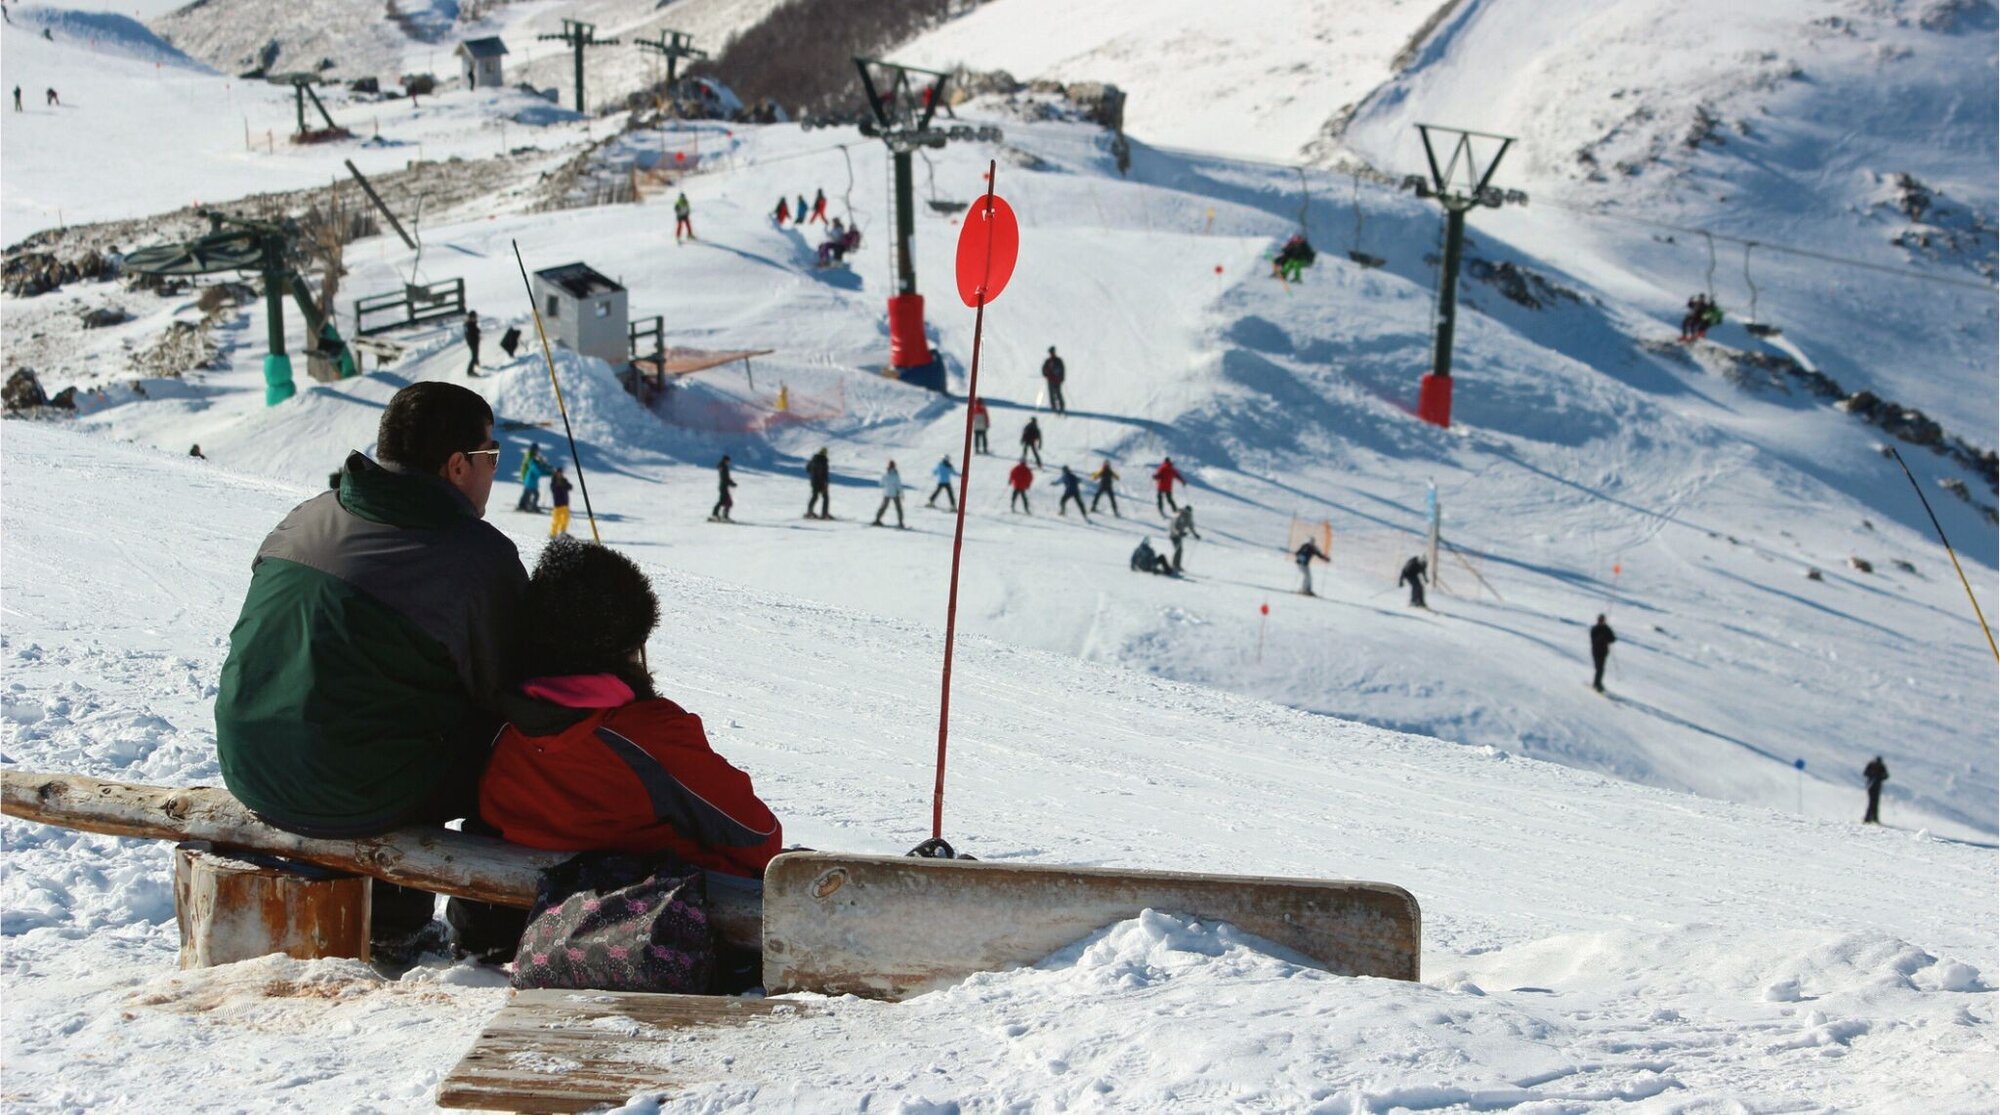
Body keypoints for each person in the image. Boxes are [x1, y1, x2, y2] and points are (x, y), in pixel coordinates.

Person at [214, 381, 527, 963]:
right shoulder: (475, 556)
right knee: (518, 736)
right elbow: (513, 686)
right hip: (352, 791)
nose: (494, 470)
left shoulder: (308, 515)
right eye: (492, 455)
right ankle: (468, 927)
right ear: (457, 466)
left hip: (249, 764)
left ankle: (389, 911)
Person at [478, 536, 782, 879]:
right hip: (657, 908)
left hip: (512, 905)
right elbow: (760, 839)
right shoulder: (648, 734)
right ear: (625, 645)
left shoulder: (501, 728)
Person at [872, 461, 907, 528]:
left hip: (886, 493)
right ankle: (900, 523)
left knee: (883, 507)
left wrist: (886, 486)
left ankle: (877, 520)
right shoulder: (895, 475)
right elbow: (898, 485)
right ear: (894, 466)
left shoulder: (885, 474)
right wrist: (902, 494)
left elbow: (881, 484)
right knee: (898, 508)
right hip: (895, 493)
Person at [516, 444, 551, 512]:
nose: (537, 451)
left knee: (527, 491)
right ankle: (526, 504)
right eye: (536, 450)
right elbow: (533, 465)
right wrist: (543, 465)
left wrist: (542, 463)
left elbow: (537, 462)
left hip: (529, 474)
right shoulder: (530, 455)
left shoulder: (532, 455)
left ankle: (523, 504)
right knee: (529, 491)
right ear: (533, 449)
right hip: (527, 474)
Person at [1589, 613, 1616, 692]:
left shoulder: (1607, 629)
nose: (1601, 621)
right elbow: (1594, 640)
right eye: (1600, 620)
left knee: (1601, 669)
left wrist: (1608, 637)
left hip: (1604, 652)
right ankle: (1597, 684)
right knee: (1599, 668)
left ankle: (1597, 683)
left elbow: (1613, 639)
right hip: (1596, 651)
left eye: (1603, 620)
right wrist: (1602, 637)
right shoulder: (1595, 629)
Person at [1169, 505, 1200, 572]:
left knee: (1180, 550)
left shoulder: (1188, 516)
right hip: (1173, 535)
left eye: (1188, 513)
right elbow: (1173, 526)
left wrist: (1195, 534)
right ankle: (1175, 565)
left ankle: (1177, 565)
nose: (1187, 513)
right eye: (1186, 512)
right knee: (1178, 549)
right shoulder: (1178, 514)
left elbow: (1190, 526)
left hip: (1179, 535)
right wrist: (1178, 532)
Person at [805, 447, 832, 519]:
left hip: (813, 482)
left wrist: (813, 475)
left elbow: (807, 469)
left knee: (815, 496)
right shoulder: (823, 461)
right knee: (825, 498)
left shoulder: (813, 460)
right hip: (821, 482)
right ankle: (824, 514)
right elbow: (823, 473)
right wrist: (825, 483)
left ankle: (809, 512)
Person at [1040, 346, 1067, 414]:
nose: (1052, 353)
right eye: (1051, 352)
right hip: (1050, 380)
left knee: (1058, 393)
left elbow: (1062, 370)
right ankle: (1053, 407)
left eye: (1052, 352)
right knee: (1051, 394)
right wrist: (1045, 374)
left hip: (1057, 380)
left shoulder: (1059, 360)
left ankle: (1061, 407)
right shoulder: (1047, 361)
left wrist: (1062, 378)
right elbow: (1043, 369)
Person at [1862, 756, 1889, 824]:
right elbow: (1865, 773)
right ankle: (1869, 818)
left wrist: (1880, 776)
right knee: (1872, 802)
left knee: (1875, 803)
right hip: (1871, 786)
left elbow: (1886, 776)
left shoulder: (1881, 766)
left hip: (1877, 787)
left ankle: (1873, 818)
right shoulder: (1871, 765)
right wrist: (1872, 775)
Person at [710, 454, 737, 522]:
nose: (729, 462)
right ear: (725, 460)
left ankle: (717, 515)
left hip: (723, 486)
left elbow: (725, 478)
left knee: (724, 501)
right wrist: (732, 483)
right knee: (727, 502)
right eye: (728, 461)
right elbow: (725, 478)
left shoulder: (722, 467)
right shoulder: (723, 467)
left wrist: (731, 483)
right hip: (723, 486)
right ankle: (720, 516)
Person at [548, 467, 572, 537]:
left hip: (564, 503)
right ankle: (553, 533)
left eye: (561, 473)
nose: (560, 474)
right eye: (558, 473)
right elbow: (553, 489)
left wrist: (563, 485)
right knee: (556, 520)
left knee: (565, 518)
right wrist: (558, 485)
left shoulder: (564, 480)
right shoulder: (553, 481)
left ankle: (562, 531)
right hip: (557, 504)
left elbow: (570, 487)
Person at [463, 310, 482, 376]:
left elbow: (476, 330)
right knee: (474, 356)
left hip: (474, 341)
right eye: (475, 317)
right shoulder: (469, 325)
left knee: (476, 353)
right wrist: (477, 332)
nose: (476, 318)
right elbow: (472, 333)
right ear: (471, 317)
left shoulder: (471, 323)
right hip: (472, 342)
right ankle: (469, 371)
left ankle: (476, 362)